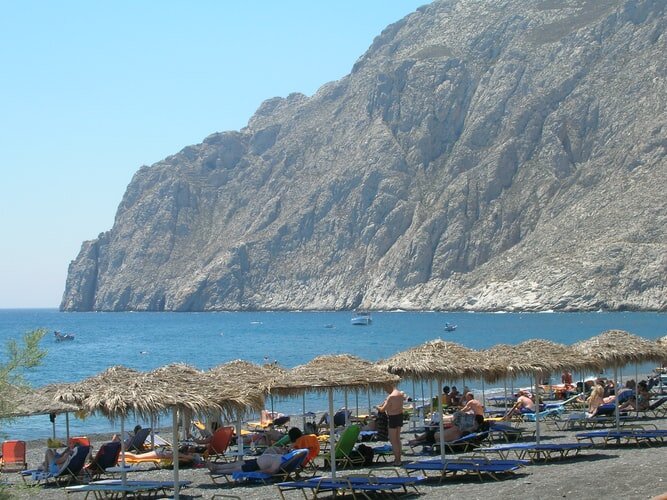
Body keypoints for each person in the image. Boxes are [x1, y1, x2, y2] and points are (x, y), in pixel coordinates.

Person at [377, 387, 405, 466]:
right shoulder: (400, 394)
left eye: (385, 389)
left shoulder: (391, 396)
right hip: (400, 416)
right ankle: (398, 459)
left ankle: (397, 460)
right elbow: (393, 405)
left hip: (393, 417)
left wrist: (377, 407)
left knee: (393, 441)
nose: (385, 390)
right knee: (397, 439)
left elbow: (382, 409)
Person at [206, 451, 283, 475]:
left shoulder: (281, 461)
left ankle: (217, 471)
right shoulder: (284, 457)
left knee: (236, 469)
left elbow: (273, 470)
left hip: (257, 466)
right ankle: (216, 466)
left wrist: (259, 471)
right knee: (236, 464)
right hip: (256, 461)